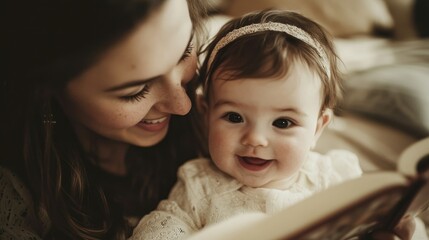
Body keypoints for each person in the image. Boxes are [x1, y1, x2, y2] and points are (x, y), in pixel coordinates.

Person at [129, 9, 365, 240]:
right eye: (234, 117)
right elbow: (167, 225)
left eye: (282, 122)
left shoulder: (333, 179)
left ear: (317, 128)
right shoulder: (199, 186)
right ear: (205, 113)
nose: (255, 139)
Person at [0, 0, 208, 239]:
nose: (183, 106)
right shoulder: (16, 198)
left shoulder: (224, 104)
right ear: (46, 89)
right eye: (135, 91)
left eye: (184, 53)